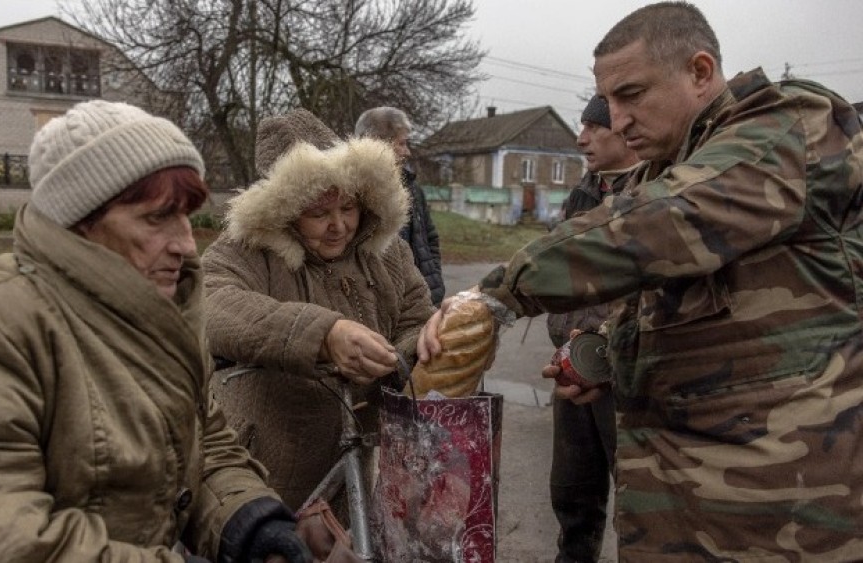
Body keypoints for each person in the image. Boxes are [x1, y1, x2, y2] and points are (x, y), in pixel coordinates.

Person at [419, 2, 863, 560]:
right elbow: (701, 308)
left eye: (631, 95)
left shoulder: (787, 128)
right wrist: (611, 353)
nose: (617, 118)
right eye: (608, 101)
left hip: (779, 521)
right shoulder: (669, 164)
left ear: (700, 72)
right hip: (681, 515)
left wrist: (499, 293)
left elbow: (666, 223)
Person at [0, 100, 330, 563]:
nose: (187, 243)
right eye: (156, 217)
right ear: (80, 223)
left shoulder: (156, 315)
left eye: (186, 214)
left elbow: (200, 441)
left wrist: (251, 524)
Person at [202, 108, 436, 511]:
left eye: (348, 208)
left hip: (352, 464)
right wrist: (323, 335)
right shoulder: (244, 251)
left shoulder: (388, 253)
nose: (339, 226)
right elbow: (212, 304)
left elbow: (416, 316)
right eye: (318, 213)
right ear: (284, 210)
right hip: (262, 468)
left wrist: (403, 355)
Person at [545, 95, 639, 563]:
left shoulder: (655, 193)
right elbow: (558, 269)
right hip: (572, 368)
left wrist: (604, 344)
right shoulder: (584, 192)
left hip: (622, 375)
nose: (582, 138)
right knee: (572, 492)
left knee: (638, 502)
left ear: (625, 130)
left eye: (593, 128)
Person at [355, 106, 445, 305]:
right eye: (402, 144)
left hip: (426, 300)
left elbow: (430, 238)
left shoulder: (412, 188)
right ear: (379, 145)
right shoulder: (354, 193)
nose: (408, 152)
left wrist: (434, 281)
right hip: (385, 307)